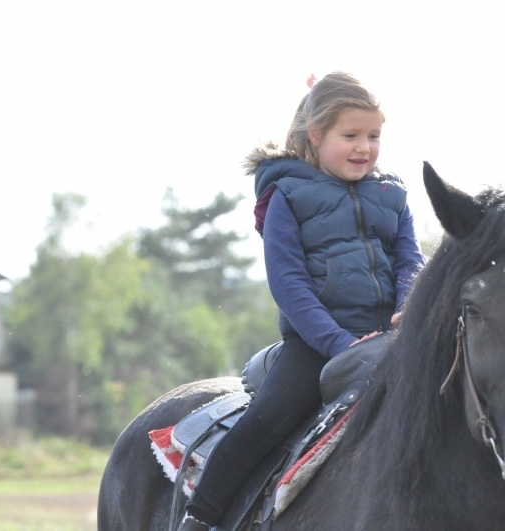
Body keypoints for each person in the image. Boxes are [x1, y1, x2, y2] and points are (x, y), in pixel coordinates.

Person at [178, 72, 425, 531]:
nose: (364, 148)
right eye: (350, 136)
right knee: (269, 418)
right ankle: (200, 517)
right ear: (315, 135)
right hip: (317, 346)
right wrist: (337, 343)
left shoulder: (393, 195)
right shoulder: (286, 194)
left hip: (393, 340)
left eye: (374, 136)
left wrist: (409, 305)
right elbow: (288, 283)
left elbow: (410, 257)